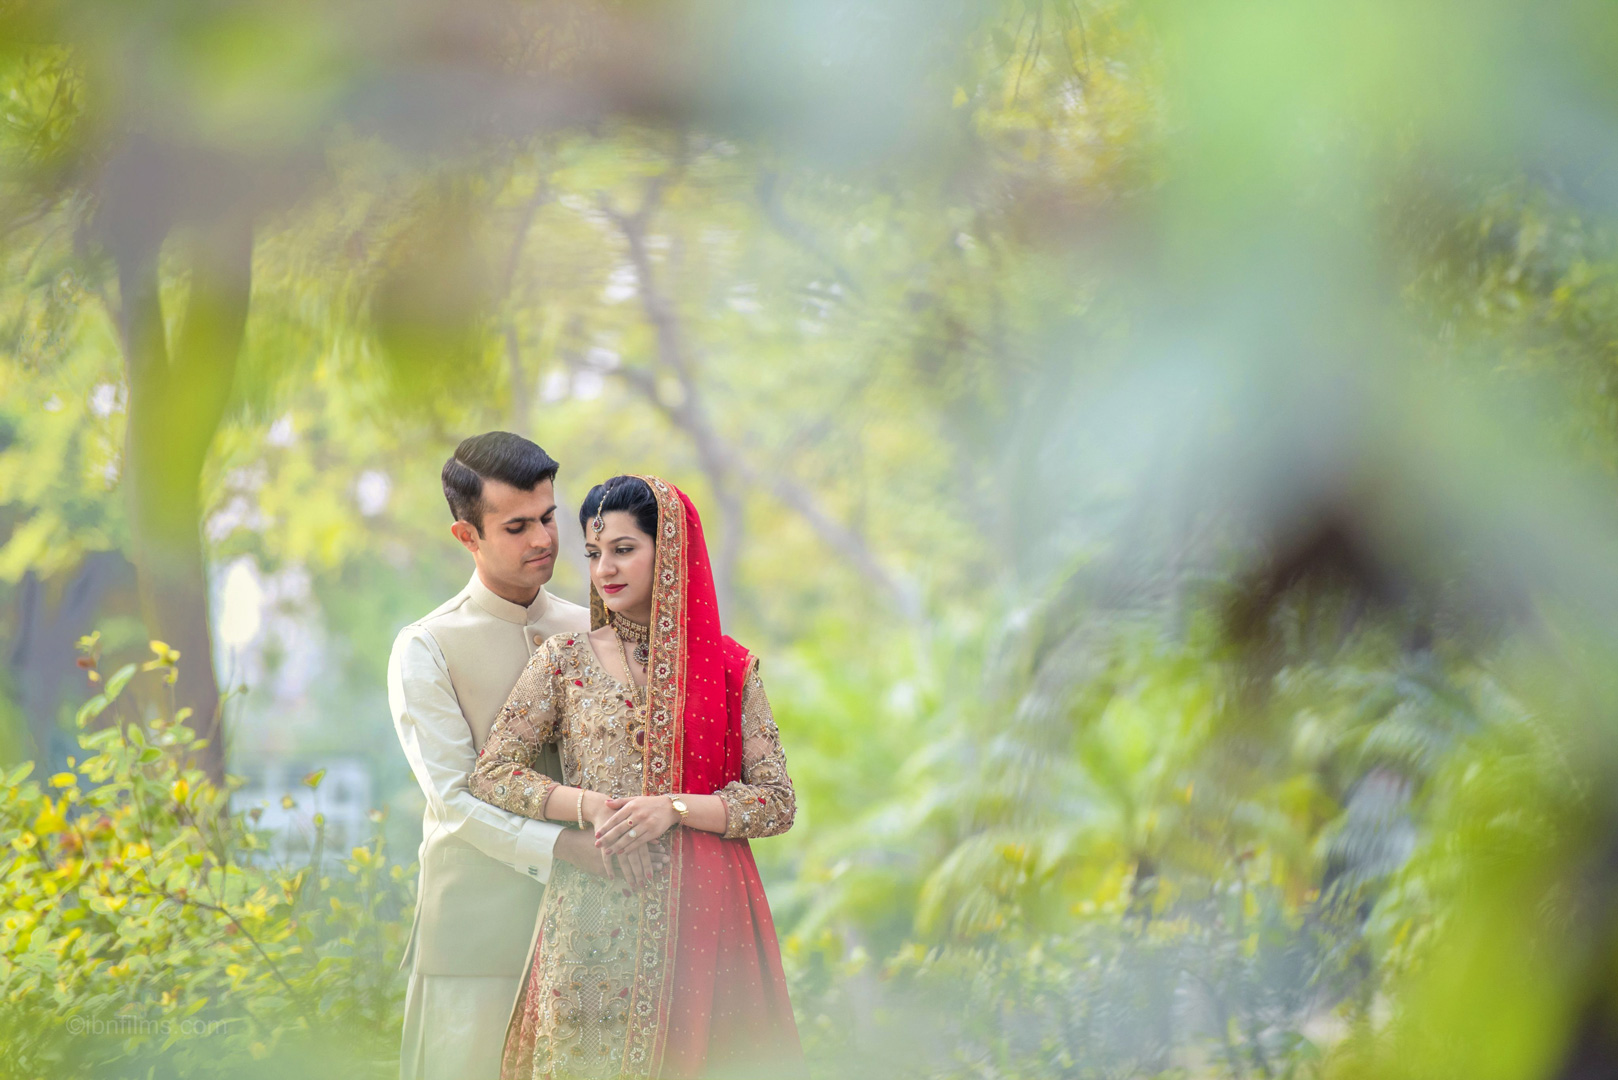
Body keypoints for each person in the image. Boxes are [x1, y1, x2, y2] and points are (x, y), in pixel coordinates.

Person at [470, 474, 805, 1079]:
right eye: (594, 554)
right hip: (590, 922)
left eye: (624, 549)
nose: (604, 570)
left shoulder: (730, 670)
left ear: (669, 551)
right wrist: (591, 806)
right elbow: (493, 774)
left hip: (705, 929)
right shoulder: (563, 661)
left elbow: (776, 803)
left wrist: (673, 808)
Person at [389, 433, 659, 1080]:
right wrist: (565, 848)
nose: (543, 538)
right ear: (467, 536)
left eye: (549, 517)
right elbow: (453, 801)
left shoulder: (596, 630)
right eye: (517, 526)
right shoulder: (426, 646)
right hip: (475, 947)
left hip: (600, 935)